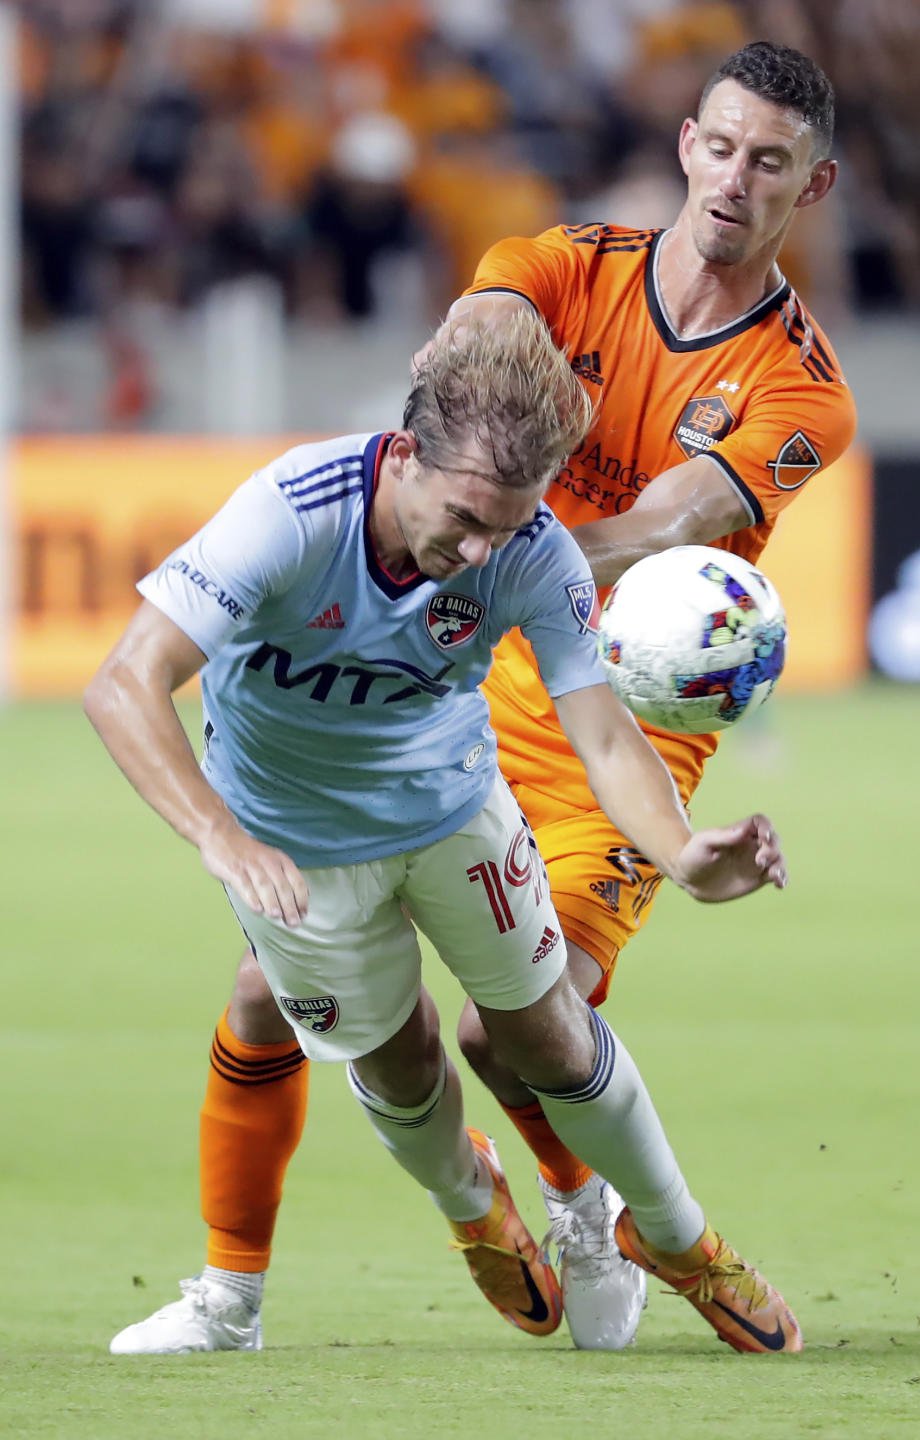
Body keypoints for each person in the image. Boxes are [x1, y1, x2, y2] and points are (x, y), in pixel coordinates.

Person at [104, 40, 855, 1356]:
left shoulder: (804, 385)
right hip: (459, 679)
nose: (737, 178)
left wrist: (512, 536)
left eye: (771, 161)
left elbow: (664, 521)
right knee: (260, 992)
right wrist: (471, 424)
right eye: (721, 146)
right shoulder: (569, 261)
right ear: (688, 143)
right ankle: (238, 1291)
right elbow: (473, 337)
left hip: (617, 719)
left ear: (816, 183)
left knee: (516, 1029)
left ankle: (618, 1217)